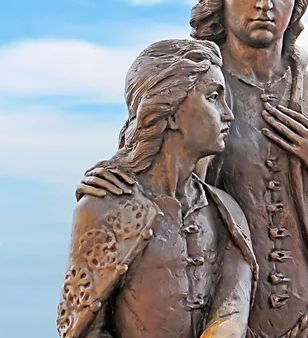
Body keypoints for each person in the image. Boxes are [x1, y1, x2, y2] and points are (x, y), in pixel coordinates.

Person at [79, 0, 308, 338]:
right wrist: (114, 182)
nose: (264, 3)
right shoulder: (192, 90)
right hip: (224, 324)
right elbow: (144, 183)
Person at [58, 39, 258, 338]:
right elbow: (81, 331)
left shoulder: (226, 214)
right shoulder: (105, 207)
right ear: (171, 111)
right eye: (214, 97)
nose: (228, 113)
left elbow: (231, 315)